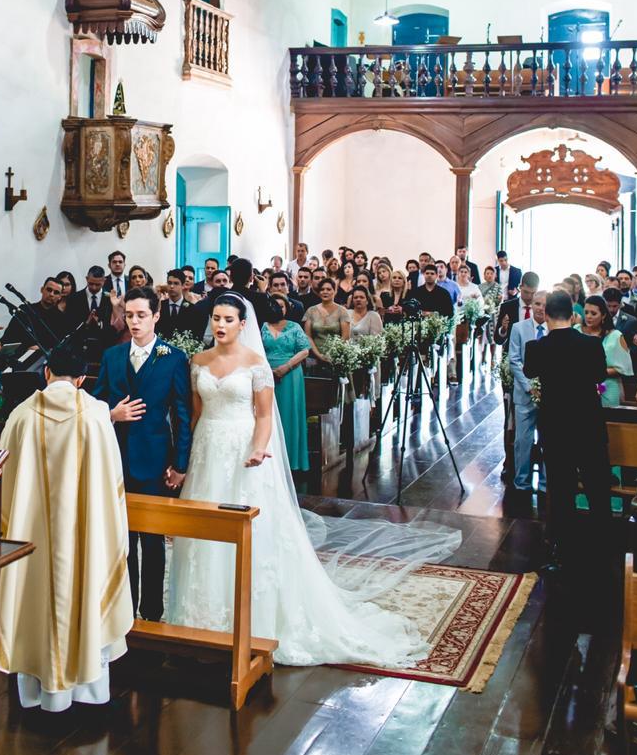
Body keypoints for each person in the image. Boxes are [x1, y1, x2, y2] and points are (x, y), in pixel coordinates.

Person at [167, 291, 456, 666]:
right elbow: (195, 414)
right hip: (209, 449)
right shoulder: (198, 361)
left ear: (243, 324)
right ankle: (200, 616)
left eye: (227, 319)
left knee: (251, 529)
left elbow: (265, 415)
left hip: (244, 451)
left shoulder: (255, 364)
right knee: (204, 529)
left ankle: (253, 618)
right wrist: (185, 459)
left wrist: (257, 447)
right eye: (216, 319)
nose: (220, 325)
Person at [0, 347, 133, 711]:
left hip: (32, 536)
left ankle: (37, 694)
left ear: (46, 374)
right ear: (82, 379)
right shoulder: (96, 416)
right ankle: (88, 691)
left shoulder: (21, 417)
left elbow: (2, 483)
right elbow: (111, 483)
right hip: (87, 535)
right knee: (86, 591)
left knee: (34, 596)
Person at [94, 287, 191, 622]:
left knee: (151, 542)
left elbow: (182, 414)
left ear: (156, 316)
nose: (134, 322)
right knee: (122, 540)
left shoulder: (174, 357)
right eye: (129, 315)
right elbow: (93, 402)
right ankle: (124, 612)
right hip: (115, 460)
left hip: (155, 460)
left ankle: (151, 612)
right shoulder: (112, 356)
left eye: (141, 315)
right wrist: (111, 413)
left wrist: (180, 464)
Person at [524, 290, 612, 568]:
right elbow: (599, 376)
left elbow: (529, 372)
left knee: (562, 491)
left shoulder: (537, 348)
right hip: (589, 427)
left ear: (546, 315)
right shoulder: (591, 345)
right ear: (573, 315)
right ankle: (604, 550)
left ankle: (563, 552)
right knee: (598, 488)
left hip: (556, 428)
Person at [261, 295, 309, 472]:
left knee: (288, 414)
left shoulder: (294, 326)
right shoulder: (262, 326)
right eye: (275, 305)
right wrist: (267, 369)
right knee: (268, 415)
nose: (278, 308)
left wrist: (285, 367)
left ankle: (290, 460)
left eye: (282, 306)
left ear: (287, 308)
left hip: (290, 374)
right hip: (266, 374)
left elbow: (304, 351)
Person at [508, 292, 547, 496]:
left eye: (544, 305)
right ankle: (521, 482)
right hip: (525, 392)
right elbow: (514, 359)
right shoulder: (519, 328)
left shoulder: (553, 330)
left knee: (547, 439)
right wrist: (528, 386)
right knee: (523, 440)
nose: (541, 308)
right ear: (532, 305)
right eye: (538, 304)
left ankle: (544, 483)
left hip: (549, 393)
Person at [582, 295, 632, 407]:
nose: (588, 316)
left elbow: (622, 368)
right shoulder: (576, 331)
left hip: (607, 385)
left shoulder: (615, 336)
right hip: (580, 387)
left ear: (603, 315)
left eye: (593, 313)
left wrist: (594, 372)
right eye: (586, 312)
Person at [3, 276, 69, 355]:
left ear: (60, 297)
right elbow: (9, 335)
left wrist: (42, 347)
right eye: (49, 290)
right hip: (19, 357)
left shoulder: (61, 319)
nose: (51, 294)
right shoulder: (24, 310)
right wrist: (0, 343)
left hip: (44, 360)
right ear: (42, 290)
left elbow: (59, 344)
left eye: (56, 292)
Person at [304, 277, 350, 366]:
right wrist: (319, 355)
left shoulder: (342, 311)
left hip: (337, 358)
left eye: (328, 289)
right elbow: (308, 336)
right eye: (322, 289)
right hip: (314, 358)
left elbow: (345, 337)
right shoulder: (311, 311)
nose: (325, 292)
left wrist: (332, 354)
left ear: (335, 291)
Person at [494, 271, 540, 344]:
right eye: (526, 292)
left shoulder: (542, 309)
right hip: (512, 352)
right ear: (520, 287)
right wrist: (503, 329)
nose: (529, 297)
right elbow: (498, 340)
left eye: (533, 293)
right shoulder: (506, 307)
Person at [157, 269, 194, 339]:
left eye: (176, 283)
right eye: (169, 283)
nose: (171, 286)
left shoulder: (192, 309)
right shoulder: (159, 307)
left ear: (183, 285)